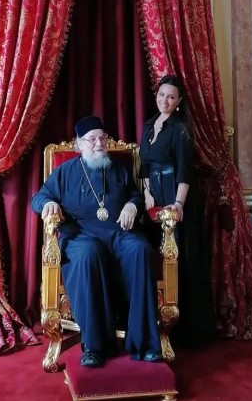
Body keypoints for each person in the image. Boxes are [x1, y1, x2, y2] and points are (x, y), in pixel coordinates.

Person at [31, 115, 162, 368]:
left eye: (102, 138)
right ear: (79, 144)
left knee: (140, 250)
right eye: (92, 139)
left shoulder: (118, 168)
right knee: (88, 254)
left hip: (119, 232)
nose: (99, 143)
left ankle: (144, 343)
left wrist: (132, 206)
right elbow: (39, 197)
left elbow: (135, 195)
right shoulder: (65, 172)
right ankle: (94, 346)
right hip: (81, 235)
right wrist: (48, 204)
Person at [139, 75, 216, 348]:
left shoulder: (181, 128)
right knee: (156, 256)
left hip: (175, 197)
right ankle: (156, 323)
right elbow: (144, 167)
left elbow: (185, 171)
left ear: (179, 101)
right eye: (162, 95)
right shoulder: (149, 125)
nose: (165, 100)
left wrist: (178, 204)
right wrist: (147, 194)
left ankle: (183, 332)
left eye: (171, 97)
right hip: (153, 198)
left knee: (179, 259)